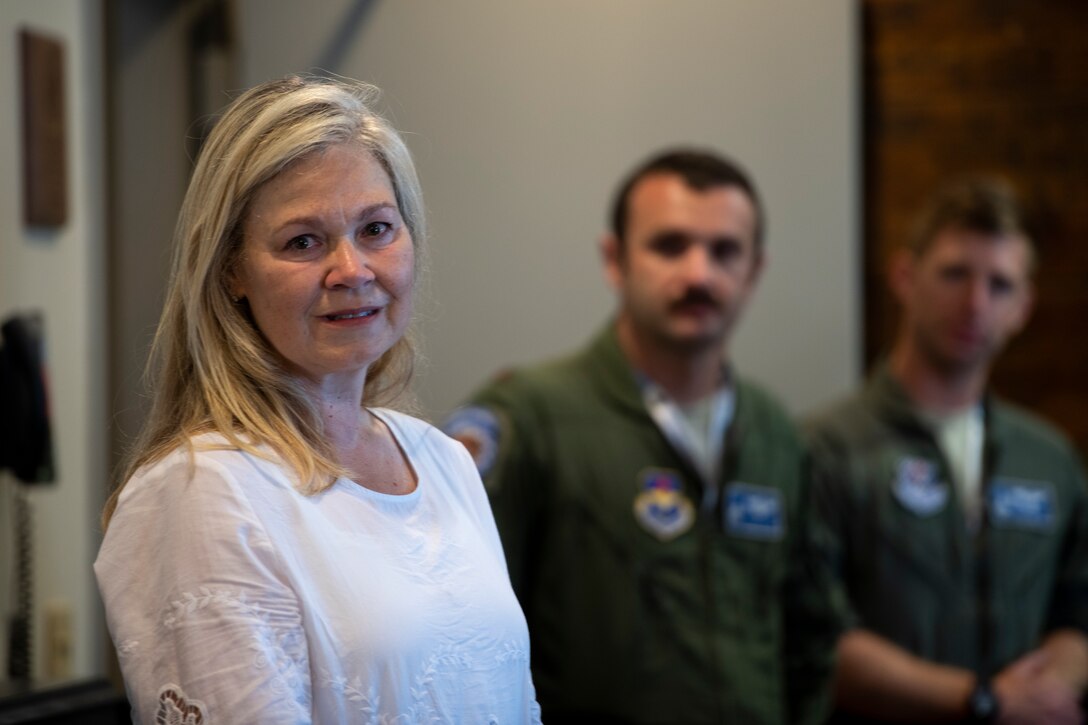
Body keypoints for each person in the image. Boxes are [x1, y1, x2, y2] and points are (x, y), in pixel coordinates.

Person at [94, 76, 540, 724]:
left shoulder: (444, 462)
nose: (352, 270)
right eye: (303, 241)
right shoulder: (204, 491)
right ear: (231, 272)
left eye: (377, 229)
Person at [443, 149, 838, 724]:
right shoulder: (528, 418)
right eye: (670, 246)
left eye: (725, 251)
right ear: (615, 259)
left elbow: (812, 640)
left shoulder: (775, 432)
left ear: (754, 270)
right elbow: (457, 628)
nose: (699, 274)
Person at [805, 177, 1088, 724]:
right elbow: (815, 635)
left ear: (1024, 307)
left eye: (1000, 284)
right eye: (955, 273)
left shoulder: (1049, 460)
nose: (976, 302)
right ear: (905, 277)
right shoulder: (826, 448)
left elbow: (1079, 610)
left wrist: (1050, 687)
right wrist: (982, 701)